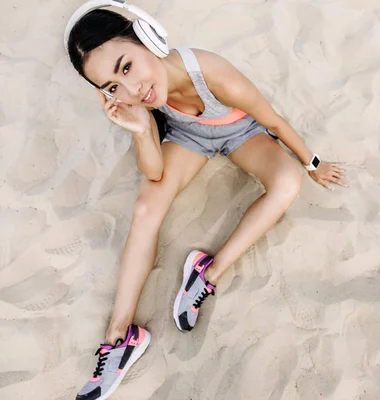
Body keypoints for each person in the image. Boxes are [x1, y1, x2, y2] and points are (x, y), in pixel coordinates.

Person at [64, 1, 346, 399]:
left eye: (126, 67)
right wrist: (142, 127)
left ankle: (206, 274)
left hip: (238, 131)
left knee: (287, 184)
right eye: (112, 87)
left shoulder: (214, 74)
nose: (131, 90)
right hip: (188, 137)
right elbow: (155, 172)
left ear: (148, 38)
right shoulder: (139, 99)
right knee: (146, 207)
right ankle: (118, 337)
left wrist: (313, 163)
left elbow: (273, 121)